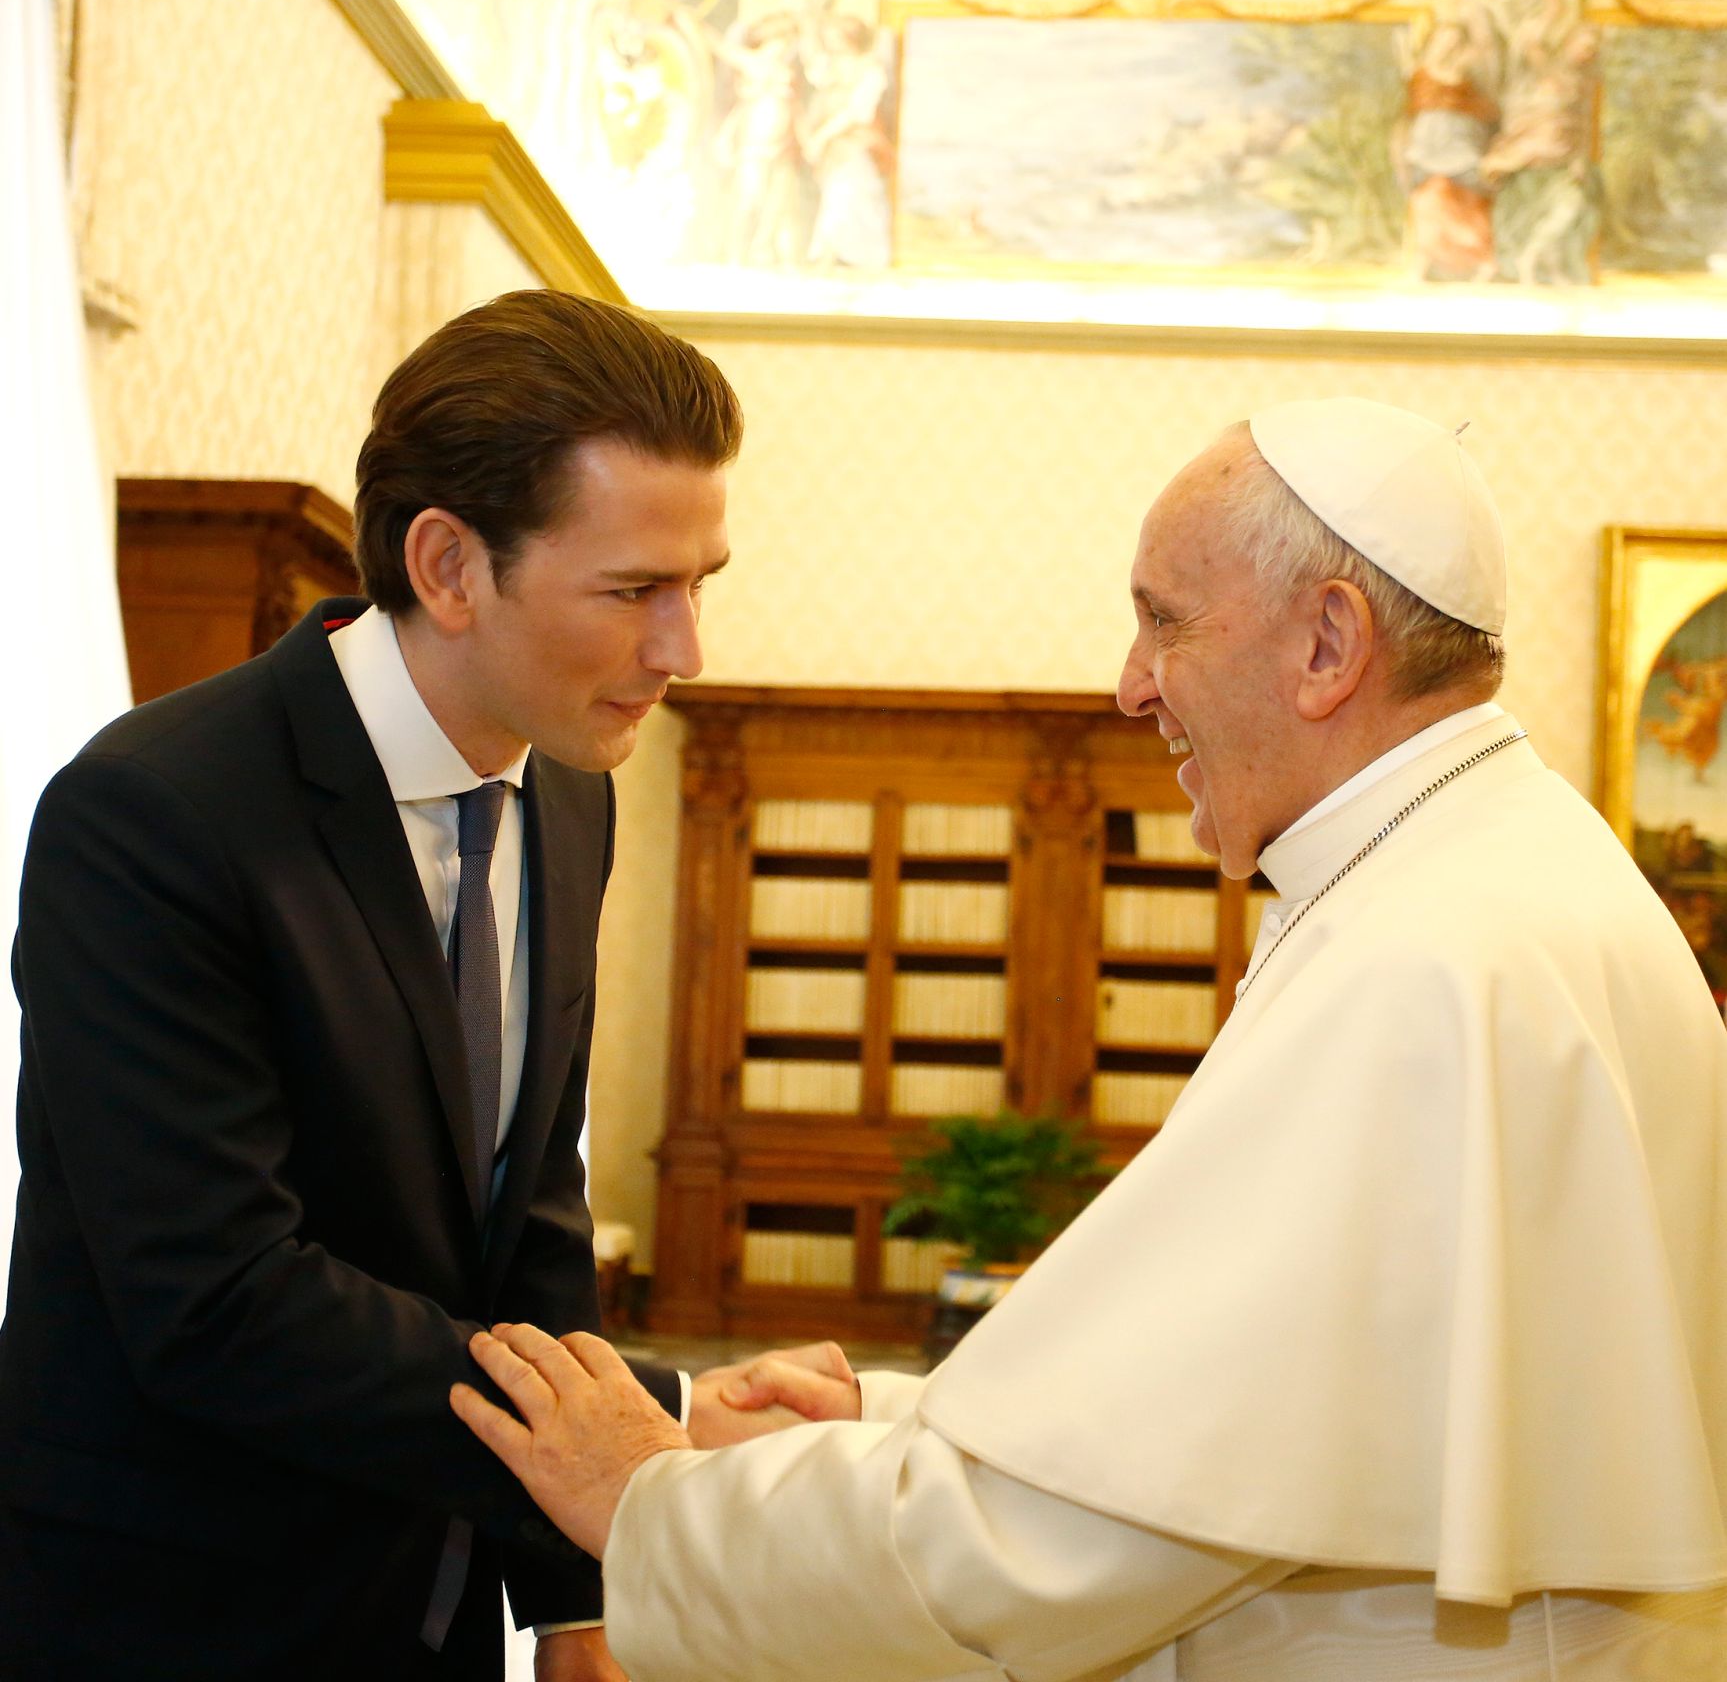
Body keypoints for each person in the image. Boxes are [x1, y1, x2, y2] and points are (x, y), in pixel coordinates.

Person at [452, 397, 1727, 1680]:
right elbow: (1228, 1428)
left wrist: (651, 1501)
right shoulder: (1502, 867)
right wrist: (894, 1425)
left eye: (1164, 620)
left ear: (1326, 642)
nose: (1130, 683)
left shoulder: (1420, 959)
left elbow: (1073, 1538)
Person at [0, 290, 841, 1682]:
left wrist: (578, 1584)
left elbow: (527, 1215)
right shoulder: (154, 813)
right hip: (179, 1613)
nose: (683, 650)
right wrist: (667, 1414)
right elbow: (217, 1297)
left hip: (433, 1608)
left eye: (700, 584)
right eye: (632, 590)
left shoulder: (568, 792)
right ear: (448, 565)